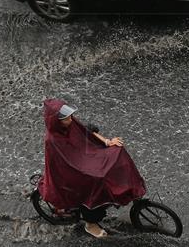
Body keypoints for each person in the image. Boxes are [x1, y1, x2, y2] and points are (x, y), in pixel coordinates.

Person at [38, 99, 147, 239]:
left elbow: (86, 133)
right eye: (65, 118)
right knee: (94, 184)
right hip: (72, 171)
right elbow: (66, 164)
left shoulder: (70, 124)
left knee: (117, 152)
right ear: (56, 122)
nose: (70, 120)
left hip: (85, 158)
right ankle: (90, 224)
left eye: (69, 116)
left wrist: (108, 142)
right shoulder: (52, 140)